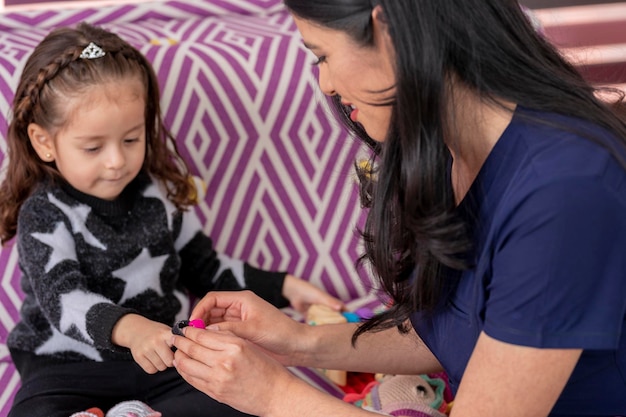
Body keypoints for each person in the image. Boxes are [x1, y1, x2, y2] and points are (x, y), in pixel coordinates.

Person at [170, 1, 626, 416]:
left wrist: (273, 396)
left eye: (322, 55)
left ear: (386, 27)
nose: (324, 83)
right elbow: (456, 331)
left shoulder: (564, 189)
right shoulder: (456, 151)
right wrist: (298, 342)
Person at [0, 22, 343, 417]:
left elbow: (206, 269)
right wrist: (131, 329)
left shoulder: (158, 195)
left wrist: (287, 287)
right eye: (93, 147)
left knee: (238, 402)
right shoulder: (44, 213)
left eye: (131, 139)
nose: (116, 161)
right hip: (67, 369)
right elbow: (64, 300)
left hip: (164, 359)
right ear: (44, 142)